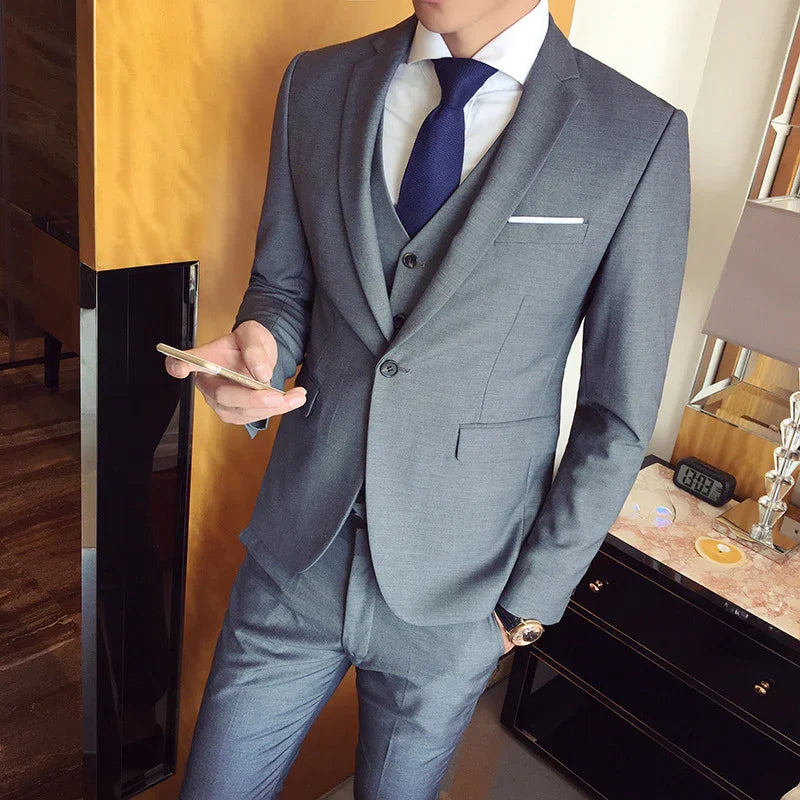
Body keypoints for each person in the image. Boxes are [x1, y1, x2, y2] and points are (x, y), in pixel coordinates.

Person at [168, 0, 691, 796]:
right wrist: (259, 353)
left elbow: (617, 416)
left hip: (463, 596)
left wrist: (525, 608)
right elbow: (282, 286)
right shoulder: (317, 82)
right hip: (295, 554)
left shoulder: (635, 133)